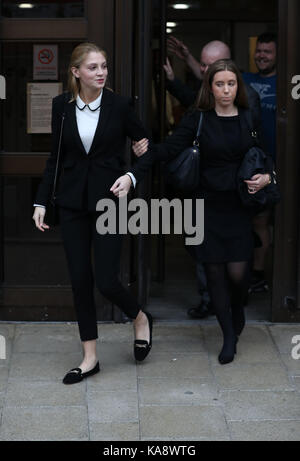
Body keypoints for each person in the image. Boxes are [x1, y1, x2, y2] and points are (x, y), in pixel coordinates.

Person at [132, 59, 273, 364]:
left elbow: (263, 156)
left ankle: (237, 311)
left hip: (238, 205)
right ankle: (228, 337)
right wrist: (148, 150)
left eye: (231, 84)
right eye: (219, 84)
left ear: (239, 86)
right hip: (205, 204)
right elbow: (170, 148)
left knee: (239, 276)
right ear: (209, 87)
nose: (226, 90)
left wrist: (265, 177)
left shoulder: (249, 117)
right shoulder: (198, 118)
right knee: (214, 274)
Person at [33, 42, 154, 385]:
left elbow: (148, 149)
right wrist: (41, 202)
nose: (101, 73)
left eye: (104, 66)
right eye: (93, 67)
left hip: (110, 202)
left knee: (106, 279)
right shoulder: (60, 106)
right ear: (75, 72)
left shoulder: (120, 106)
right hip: (71, 203)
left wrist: (131, 177)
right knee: (80, 280)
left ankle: (140, 317)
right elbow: (55, 160)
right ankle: (90, 357)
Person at [163, 38, 262, 319]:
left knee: (234, 261)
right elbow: (196, 108)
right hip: (205, 191)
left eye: (209, 65)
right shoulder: (210, 94)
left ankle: (232, 305)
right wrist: (176, 75)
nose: (203, 69)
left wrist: (258, 178)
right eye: (202, 64)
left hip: (235, 192)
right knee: (205, 251)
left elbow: (252, 147)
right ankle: (211, 301)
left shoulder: (246, 100)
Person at [243, 33, 277, 292]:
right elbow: (211, 82)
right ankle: (251, 273)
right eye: (259, 51)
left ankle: (258, 273)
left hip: (280, 161)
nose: (262, 55)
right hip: (252, 162)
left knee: (265, 222)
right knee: (256, 220)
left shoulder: (288, 81)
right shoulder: (245, 80)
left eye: (268, 51)